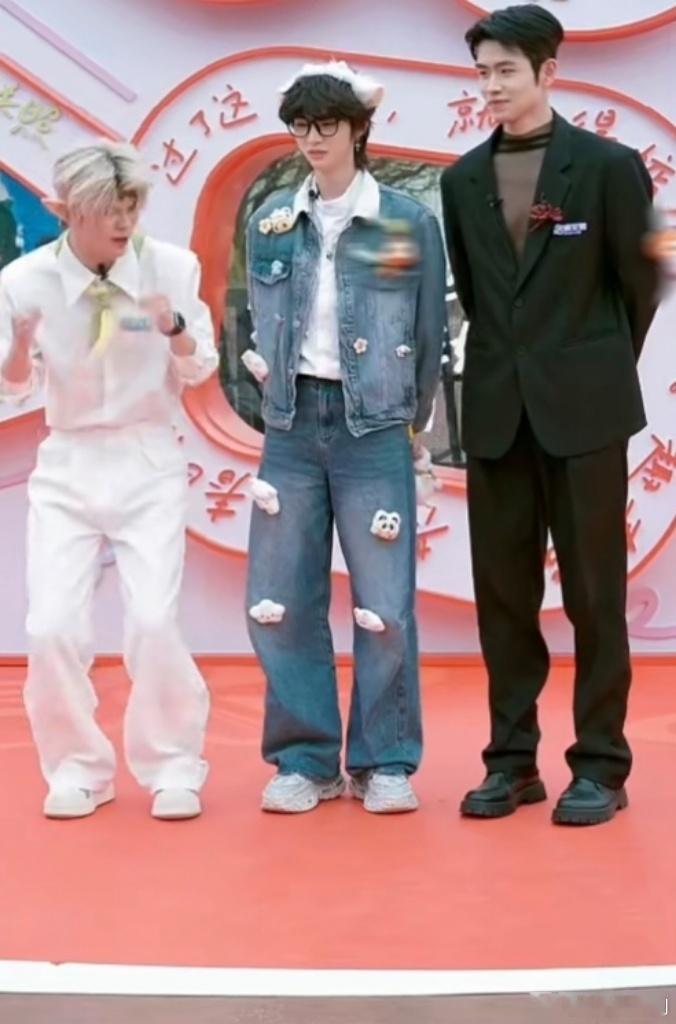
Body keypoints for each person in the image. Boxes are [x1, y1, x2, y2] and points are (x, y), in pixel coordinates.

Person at [440, 5, 660, 826]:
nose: (492, 86)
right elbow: (478, 295)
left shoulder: (608, 167)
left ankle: (600, 764)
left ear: (547, 72)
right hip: (497, 411)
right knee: (502, 596)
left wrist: (588, 365)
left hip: (586, 413)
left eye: (506, 70)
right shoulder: (461, 180)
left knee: (595, 596)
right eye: (483, 73)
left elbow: (639, 287)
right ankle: (511, 763)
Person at [243, 61, 447, 814]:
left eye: (326, 124)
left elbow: (428, 330)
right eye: (300, 125)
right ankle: (305, 759)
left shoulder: (403, 221)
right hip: (292, 424)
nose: (312, 138)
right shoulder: (272, 218)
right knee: (282, 598)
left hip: (375, 427)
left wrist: (409, 420)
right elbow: (257, 319)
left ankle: (384, 760)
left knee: (385, 603)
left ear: (359, 128)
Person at [0, 141, 218, 820]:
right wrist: (18, 346)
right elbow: (13, 388)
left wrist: (172, 327)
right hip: (67, 462)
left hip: (146, 457)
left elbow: (200, 368)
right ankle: (77, 769)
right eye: (107, 209)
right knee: (51, 627)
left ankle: (173, 764)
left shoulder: (171, 267)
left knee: (152, 619)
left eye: (131, 206)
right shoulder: (24, 281)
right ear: (64, 210)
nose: (123, 222)